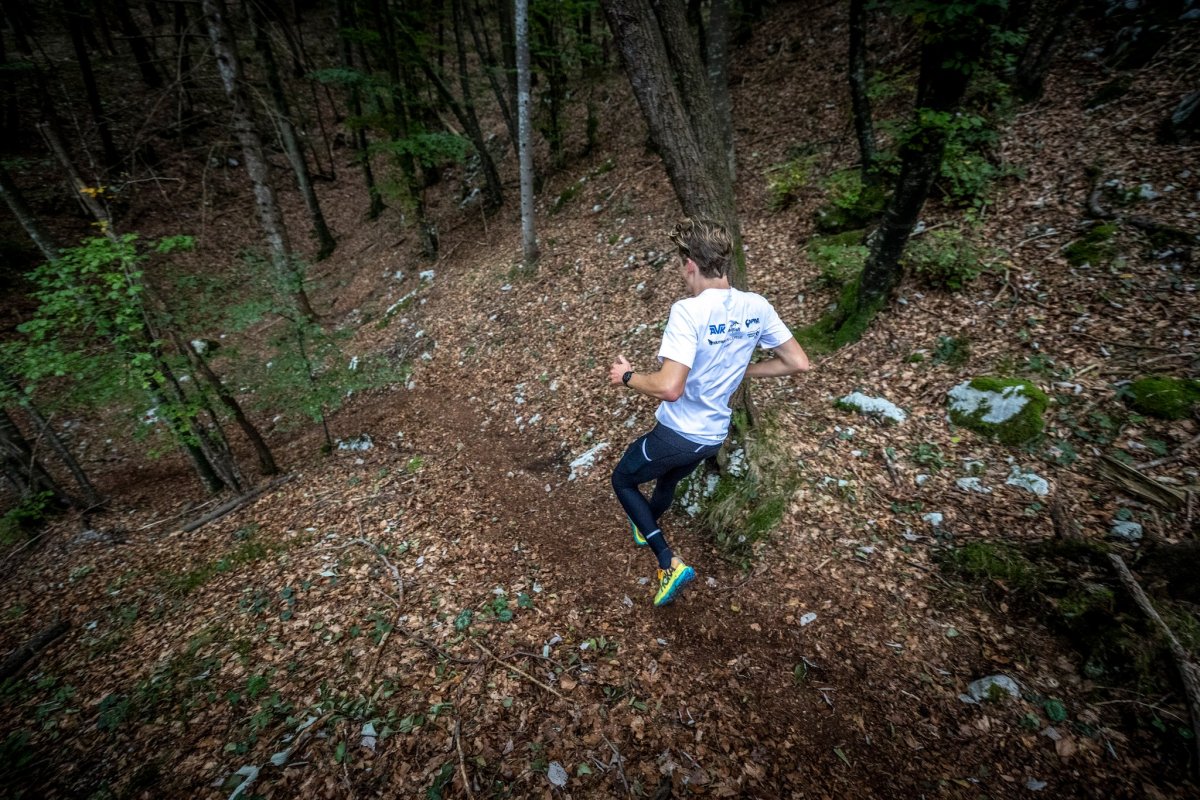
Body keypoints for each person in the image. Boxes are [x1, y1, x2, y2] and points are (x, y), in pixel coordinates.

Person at [609, 219, 811, 607]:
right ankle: (647, 524)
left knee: (623, 480)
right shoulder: (757, 306)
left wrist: (628, 375)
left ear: (690, 264)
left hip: (679, 433)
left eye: (682, 266)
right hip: (712, 436)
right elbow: (798, 362)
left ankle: (668, 563)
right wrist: (744, 369)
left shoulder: (688, 312)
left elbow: (670, 387)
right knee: (668, 479)